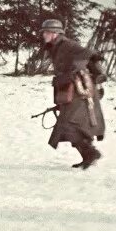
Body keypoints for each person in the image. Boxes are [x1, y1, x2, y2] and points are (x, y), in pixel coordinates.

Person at [39, 19, 105, 169]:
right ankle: (89, 155)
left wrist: (79, 72)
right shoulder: (55, 47)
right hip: (70, 90)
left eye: (46, 32)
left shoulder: (67, 45)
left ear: (55, 33)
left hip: (80, 91)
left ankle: (91, 153)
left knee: (70, 124)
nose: (43, 35)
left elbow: (90, 54)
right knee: (70, 125)